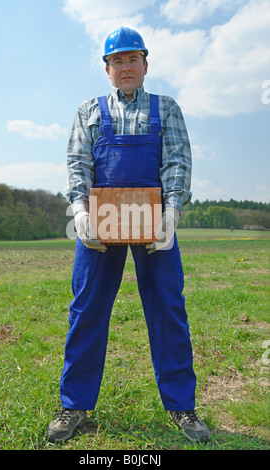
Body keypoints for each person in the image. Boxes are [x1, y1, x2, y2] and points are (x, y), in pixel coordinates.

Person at [46, 26, 210, 444]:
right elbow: (77, 162)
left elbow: (177, 161)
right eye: (116, 60)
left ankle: (182, 407)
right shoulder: (89, 110)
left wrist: (172, 213)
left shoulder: (167, 108)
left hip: (152, 220)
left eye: (132, 59)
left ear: (145, 64)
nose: (125, 67)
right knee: (86, 309)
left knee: (168, 308)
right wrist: (80, 210)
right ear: (107, 69)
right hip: (100, 224)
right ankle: (75, 406)